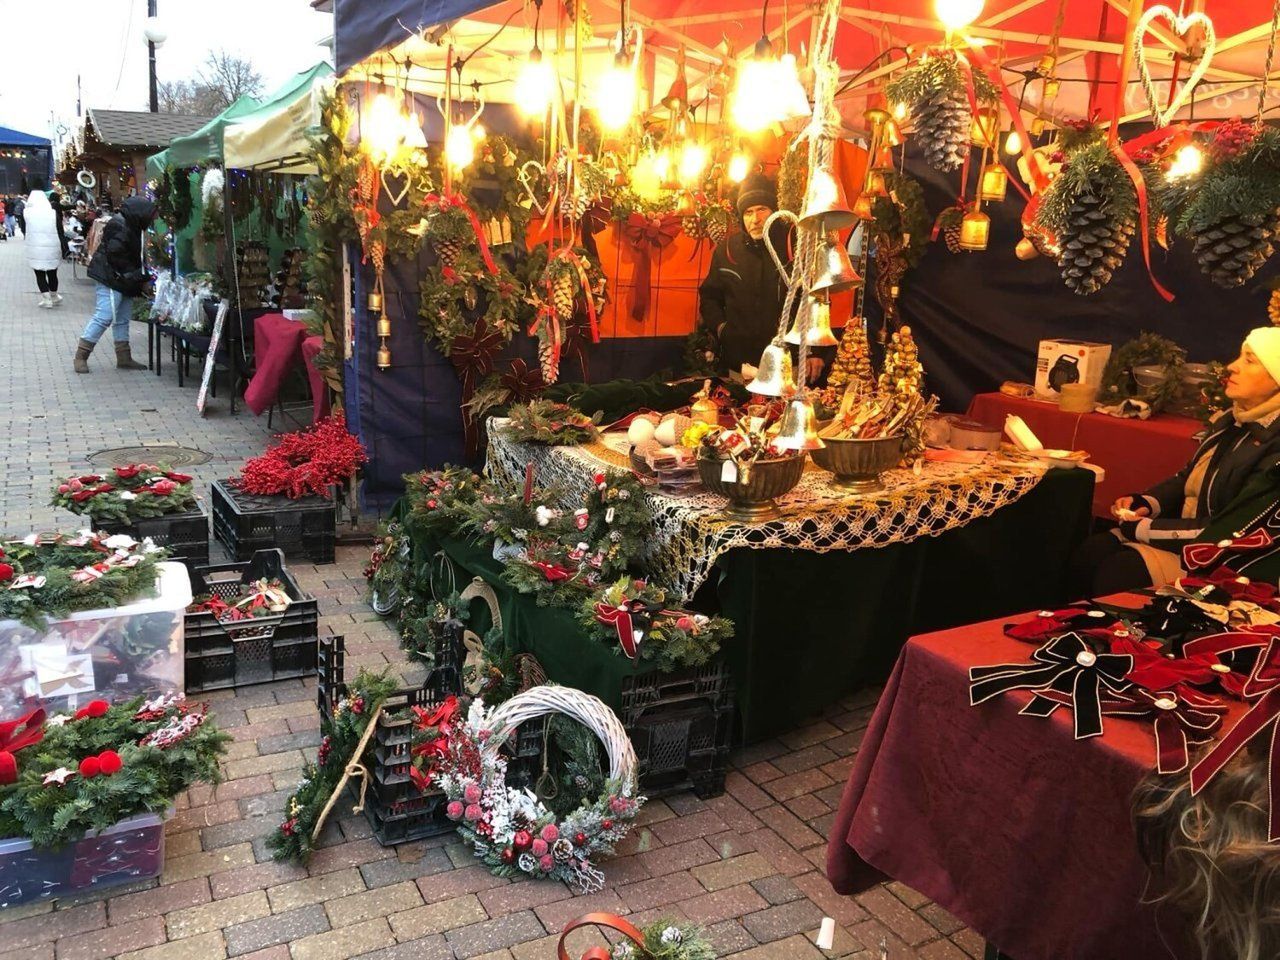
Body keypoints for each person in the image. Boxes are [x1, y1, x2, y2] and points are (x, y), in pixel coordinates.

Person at [1069, 327, 1280, 596]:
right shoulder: (1232, 420)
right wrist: (1147, 502)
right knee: (1091, 552)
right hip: (1187, 535)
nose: (1232, 367)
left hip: (1223, 556)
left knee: (1121, 570)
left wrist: (1147, 530)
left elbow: (1231, 529)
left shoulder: (1274, 444)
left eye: (1249, 361)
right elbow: (1188, 477)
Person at [698, 174, 824, 382]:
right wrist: (723, 329)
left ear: (775, 211)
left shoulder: (795, 245)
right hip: (741, 364)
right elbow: (709, 297)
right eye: (748, 212)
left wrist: (816, 350)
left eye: (761, 210)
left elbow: (816, 298)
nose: (755, 219)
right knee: (739, 404)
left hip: (788, 364)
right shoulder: (727, 250)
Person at [76, 196, 156, 373]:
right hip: (112, 277)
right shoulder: (122, 225)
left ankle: (123, 357)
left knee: (122, 317)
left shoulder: (129, 224)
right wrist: (138, 276)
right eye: (151, 216)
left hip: (120, 278)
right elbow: (117, 255)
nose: (152, 220)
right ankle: (81, 355)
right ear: (141, 214)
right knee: (105, 315)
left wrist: (136, 276)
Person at [22, 188, 62, 308]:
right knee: (52, 272)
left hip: (35, 247)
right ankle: (54, 296)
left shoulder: (27, 213)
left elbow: (23, 229)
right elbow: (60, 229)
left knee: (39, 273)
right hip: (52, 246)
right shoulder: (52, 213)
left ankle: (46, 299)